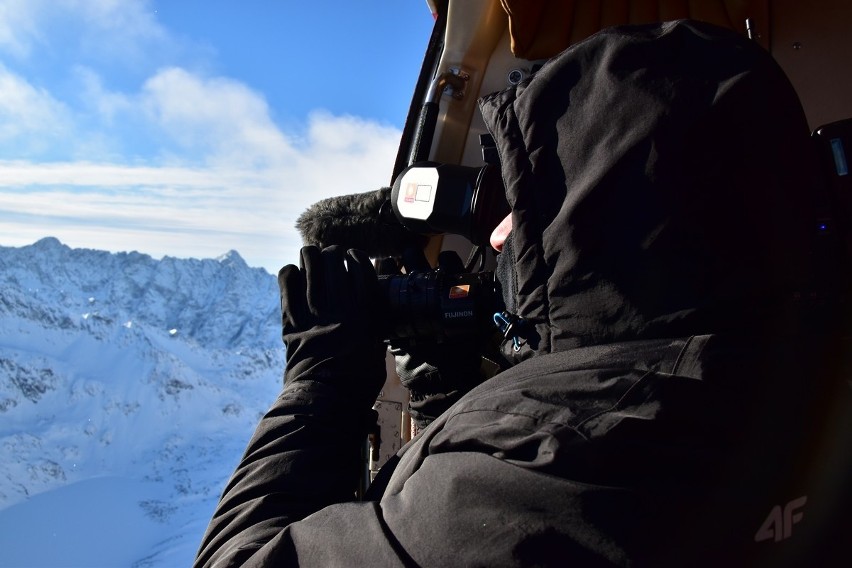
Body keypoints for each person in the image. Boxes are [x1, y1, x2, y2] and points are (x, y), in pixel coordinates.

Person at [194, 20, 852, 567]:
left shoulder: (550, 465)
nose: (503, 234)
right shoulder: (807, 371)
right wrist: (451, 399)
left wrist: (321, 383)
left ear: (614, 218)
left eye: (531, 201)